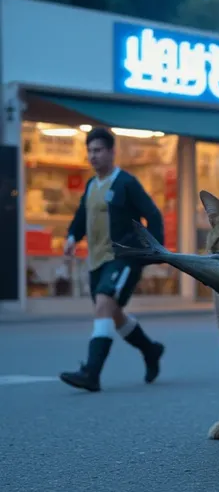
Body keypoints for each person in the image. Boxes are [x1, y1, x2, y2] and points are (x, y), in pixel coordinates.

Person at [59, 127, 165, 392]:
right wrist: (72, 236)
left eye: (98, 150)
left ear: (111, 152)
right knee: (113, 314)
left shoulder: (126, 183)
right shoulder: (92, 185)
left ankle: (91, 373)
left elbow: (153, 215)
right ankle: (150, 350)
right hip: (96, 261)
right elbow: (82, 216)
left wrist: (153, 251)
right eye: (90, 151)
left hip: (123, 257)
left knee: (104, 305)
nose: (92, 156)